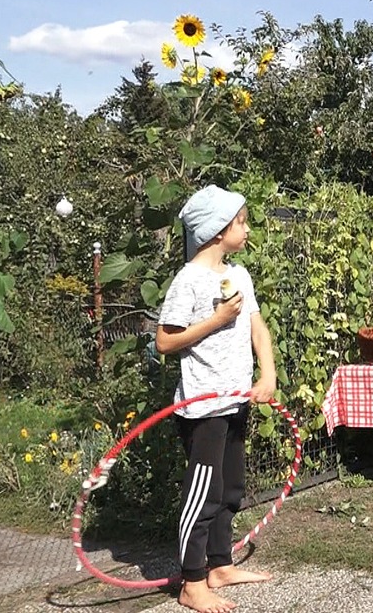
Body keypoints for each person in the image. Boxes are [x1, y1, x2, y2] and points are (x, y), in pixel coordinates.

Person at [156, 185, 277, 613]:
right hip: (203, 406)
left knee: (230, 489)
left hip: (235, 400)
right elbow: (165, 342)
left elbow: (257, 328)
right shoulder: (188, 281)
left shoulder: (239, 274)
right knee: (201, 495)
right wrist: (216, 319)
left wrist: (268, 372)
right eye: (240, 222)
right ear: (216, 230)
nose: (246, 229)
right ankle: (192, 582)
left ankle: (219, 565)